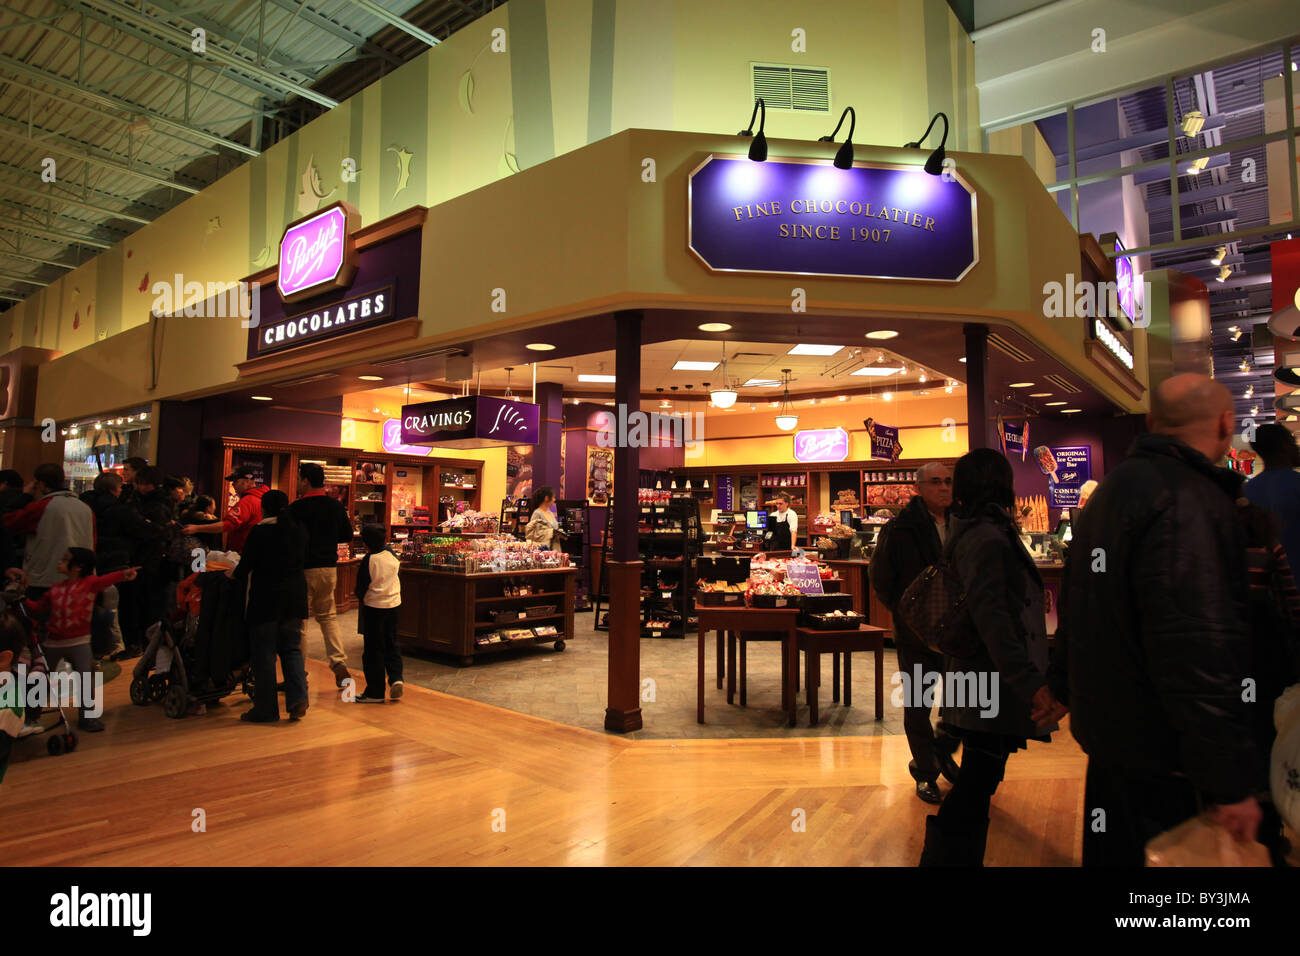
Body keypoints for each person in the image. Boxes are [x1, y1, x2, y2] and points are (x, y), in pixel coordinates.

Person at [1053, 373, 1259, 866]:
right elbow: (1197, 642)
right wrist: (1228, 777)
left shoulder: (1112, 491)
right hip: (1166, 754)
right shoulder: (1189, 500)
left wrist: (1060, 685)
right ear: (1226, 424)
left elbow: (1077, 608)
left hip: (1113, 740)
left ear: (1151, 422)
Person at [919, 448, 1063, 866]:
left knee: (980, 780)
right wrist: (1030, 683)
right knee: (977, 782)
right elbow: (994, 619)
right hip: (988, 681)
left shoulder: (980, 531)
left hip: (985, 679)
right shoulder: (985, 536)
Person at [869, 461, 961, 804]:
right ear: (919, 487)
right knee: (919, 704)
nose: (944, 488)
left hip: (957, 633)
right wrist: (906, 612)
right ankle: (925, 771)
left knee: (959, 701)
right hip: (916, 634)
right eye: (936, 482)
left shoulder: (963, 524)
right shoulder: (900, 528)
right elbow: (881, 577)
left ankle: (942, 754)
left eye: (949, 481)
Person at [24, 548, 138, 732]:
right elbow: (37, 609)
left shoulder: (89, 583)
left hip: (79, 641)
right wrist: (22, 600)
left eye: (65, 559)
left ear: (77, 567)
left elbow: (105, 580)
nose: (60, 562)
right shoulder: (55, 589)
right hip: (53, 642)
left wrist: (123, 574)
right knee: (42, 678)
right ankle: (31, 716)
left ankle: (88, 717)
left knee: (85, 678)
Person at [230, 490, 309, 723]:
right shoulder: (299, 530)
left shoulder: (260, 531)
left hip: (266, 599)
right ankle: (297, 699)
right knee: (291, 649)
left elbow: (246, 566)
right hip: (295, 598)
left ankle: (266, 709)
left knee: (263, 654)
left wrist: (231, 575)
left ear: (264, 508)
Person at [289, 462, 355, 688]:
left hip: (303, 569)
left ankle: (298, 672)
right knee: (328, 616)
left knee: (300, 620)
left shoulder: (296, 508)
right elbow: (346, 534)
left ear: (305, 480)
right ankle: (339, 664)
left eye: (299, 478)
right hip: (328, 568)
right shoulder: (335, 506)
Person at [3, 464, 95, 600]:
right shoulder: (86, 508)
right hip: (80, 577)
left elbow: (7, 523)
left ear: (40, 484)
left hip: (44, 577)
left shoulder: (41, 507)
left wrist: (25, 496)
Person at [353, 524, 403, 703]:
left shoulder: (369, 559)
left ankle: (375, 691)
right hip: (394, 604)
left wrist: (360, 597)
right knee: (392, 642)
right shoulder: (391, 554)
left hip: (374, 607)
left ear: (365, 542)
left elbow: (361, 586)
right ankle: (396, 677)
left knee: (373, 649)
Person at [1244, 423, 1300, 570]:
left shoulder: (1247, 491)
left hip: (1270, 583)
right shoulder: (1296, 484)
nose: (1297, 447)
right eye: (1292, 442)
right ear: (1283, 447)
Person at [182, 469, 268, 554]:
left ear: (247, 481)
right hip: (260, 552)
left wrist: (197, 528)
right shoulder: (264, 498)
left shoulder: (248, 501)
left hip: (245, 553)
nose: (233, 484)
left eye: (236, 481)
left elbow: (228, 524)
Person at [524, 486, 561, 550]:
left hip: (554, 548)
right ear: (546, 498)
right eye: (553, 497)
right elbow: (532, 533)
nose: (554, 499)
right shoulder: (537, 513)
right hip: (543, 550)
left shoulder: (550, 513)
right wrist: (551, 532)